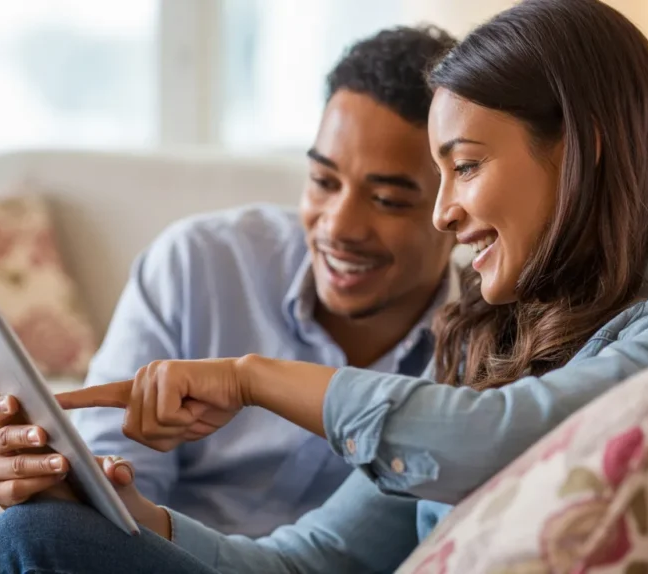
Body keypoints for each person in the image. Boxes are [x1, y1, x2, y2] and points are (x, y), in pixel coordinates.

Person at [0, 1, 648, 573]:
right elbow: (312, 560)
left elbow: (515, 438)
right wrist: (124, 512)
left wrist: (254, 377)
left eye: (461, 169)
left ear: (584, 156)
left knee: (36, 550)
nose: (444, 216)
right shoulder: (497, 340)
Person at [68, 25, 460, 537]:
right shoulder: (198, 263)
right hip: (149, 555)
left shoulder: (485, 359)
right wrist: (57, 484)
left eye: (387, 200)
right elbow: (111, 482)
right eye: (323, 182)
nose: (338, 227)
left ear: (456, 210)